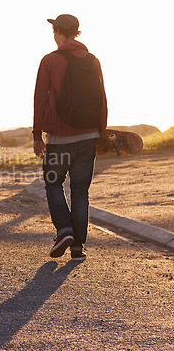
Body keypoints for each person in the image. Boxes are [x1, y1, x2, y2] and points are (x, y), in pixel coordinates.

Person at [33, 14, 107, 261]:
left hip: (60, 139)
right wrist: (101, 131)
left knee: (53, 184)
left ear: (58, 32)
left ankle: (64, 230)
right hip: (89, 137)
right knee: (80, 191)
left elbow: (40, 99)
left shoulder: (50, 60)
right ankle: (78, 247)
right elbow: (103, 98)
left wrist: (36, 135)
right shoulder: (92, 60)